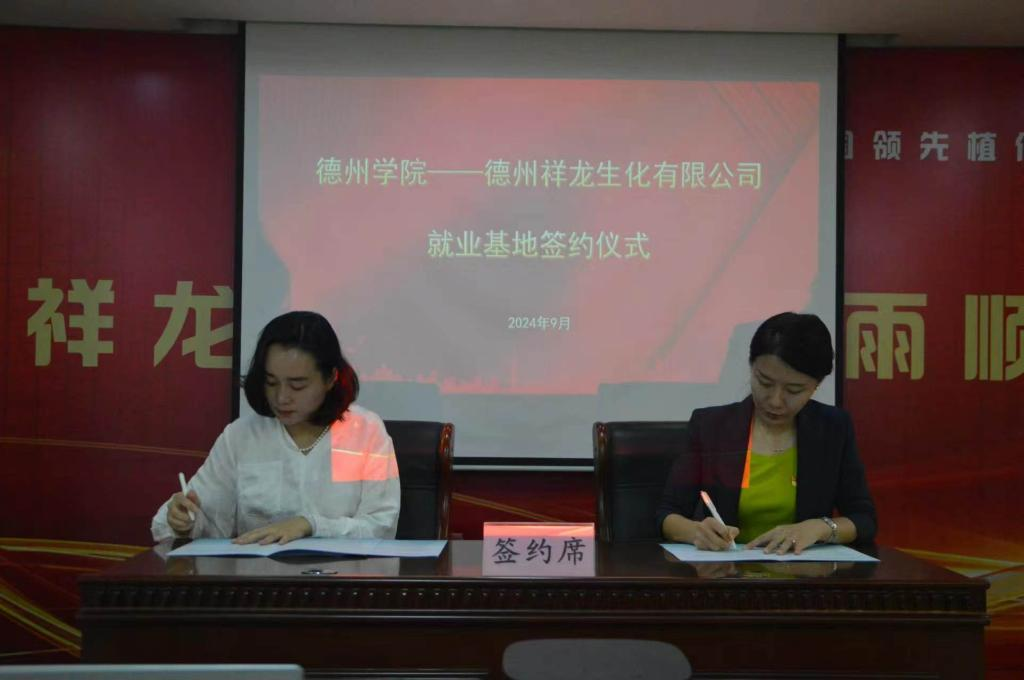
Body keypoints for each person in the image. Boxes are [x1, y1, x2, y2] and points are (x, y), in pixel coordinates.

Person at [151, 311, 400, 544]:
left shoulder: (366, 432)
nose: (282, 398)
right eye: (271, 383)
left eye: (297, 385)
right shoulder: (242, 436)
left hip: (342, 574)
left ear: (331, 378)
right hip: (257, 574)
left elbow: (381, 527)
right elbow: (206, 521)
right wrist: (184, 521)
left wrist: (310, 525)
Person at [657, 312, 876, 554]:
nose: (775, 401)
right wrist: (696, 532)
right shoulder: (711, 426)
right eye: (765, 382)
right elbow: (668, 514)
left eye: (794, 390)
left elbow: (863, 518)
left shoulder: (833, 428)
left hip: (804, 572)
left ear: (817, 385)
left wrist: (820, 528)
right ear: (751, 367)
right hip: (726, 570)